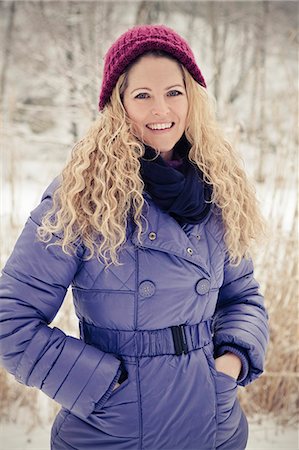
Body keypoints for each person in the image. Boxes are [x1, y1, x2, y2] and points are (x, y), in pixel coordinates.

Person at [0, 24, 269, 450]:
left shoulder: (219, 186)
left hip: (213, 428)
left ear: (191, 98)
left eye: (173, 92)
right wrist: (104, 388)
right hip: (114, 433)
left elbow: (243, 297)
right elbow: (10, 320)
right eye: (142, 94)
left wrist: (228, 367)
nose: (160, 108)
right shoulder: (81, 193)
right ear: (118, 103)